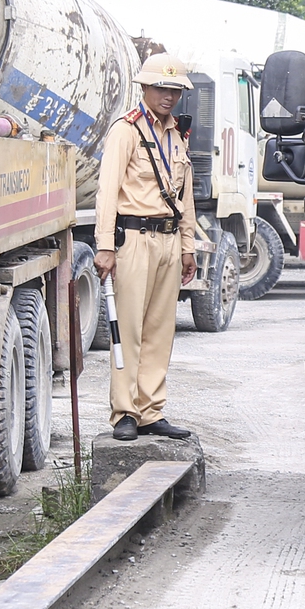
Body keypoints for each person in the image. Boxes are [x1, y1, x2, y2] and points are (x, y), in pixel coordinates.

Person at [93, 55, 207, 441]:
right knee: (128, 328)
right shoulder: (126, 131)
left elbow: (184, 196)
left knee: (160, 329)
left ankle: (150, 410)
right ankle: (125, 412)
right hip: (134, 238)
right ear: (144, 88)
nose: (169, 96)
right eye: (162, 88)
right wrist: (105, 245)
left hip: (169, 240)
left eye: (175, 90)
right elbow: (107, 192)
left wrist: (188, 246)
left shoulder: (176, 134)